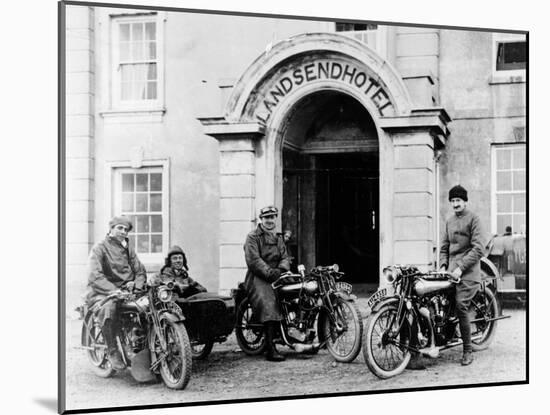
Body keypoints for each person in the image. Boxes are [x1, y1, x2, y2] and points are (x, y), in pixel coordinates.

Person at [86, 216, 147, 370]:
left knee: (150, 304)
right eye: (120, 228)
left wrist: (138, 287)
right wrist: (114, 291)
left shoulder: (128, 249)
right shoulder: (99, 248)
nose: (123, 232)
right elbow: (95, 276)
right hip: (103, 291)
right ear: (111, 229)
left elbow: (140, 271)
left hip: (127, 291)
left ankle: (144, 346)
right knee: (109, 308)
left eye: (126, 229)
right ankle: (112, 349)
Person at [439, 185, 486, 366]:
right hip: (451, 272)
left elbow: (478, 248)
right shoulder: (449, 221)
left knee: (460, 305)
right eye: (452, 201)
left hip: (469, 272)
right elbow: (444, 247)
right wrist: (443, 265)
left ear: (465, 201)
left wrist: (460, 268)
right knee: (439, 302)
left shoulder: (474, 219)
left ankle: (467, 350)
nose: (455, 204)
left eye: (458, 200)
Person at [243, 206, 290, 362]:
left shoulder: (278, 237)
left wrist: (282, 269)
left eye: (272, 217)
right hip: (258, 277)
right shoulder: (252, 237)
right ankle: (270, 349)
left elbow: (284, 256)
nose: (270, 220)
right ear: (261, 219)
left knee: (298, 293)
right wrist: (270, 272)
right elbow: (254, 260)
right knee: (269, 303)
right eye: (266, 217)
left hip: (277, 273)